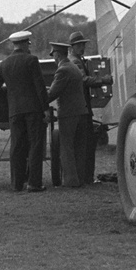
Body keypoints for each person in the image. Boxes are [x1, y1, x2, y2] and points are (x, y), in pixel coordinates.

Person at [0, 30, 50, 192]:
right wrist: (46, 109)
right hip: (33, 110)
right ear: (24, 44)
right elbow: (39, 87)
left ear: (14, 45)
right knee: (35, 145)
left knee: (16, 146)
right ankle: (34, 183)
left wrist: (9, 92)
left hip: (14, 111)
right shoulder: (31, 60)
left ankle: (17, 183)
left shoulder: (4, 64)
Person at [46, 41, 90, 187]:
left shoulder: (63, 70)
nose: (54, 59)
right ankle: (80, 179)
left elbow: (52, 93)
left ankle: (71, 181)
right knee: (79, 147)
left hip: (69, 114)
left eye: (54, 56)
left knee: (67, 148)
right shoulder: (74, 67)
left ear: (57, 55)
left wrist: (39, 97)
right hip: (81, 112)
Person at [68, 30, 109, 183]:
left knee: (85, 143)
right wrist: (103, 80)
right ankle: (86, 177)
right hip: (83, 108)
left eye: (83, 44)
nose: (82, 47)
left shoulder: (78, 59)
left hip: (83, 108)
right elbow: (83, 80)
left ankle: (86, 176)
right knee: (85, 144)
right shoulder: (76, 61)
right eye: (79, 45)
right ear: (72, 47)